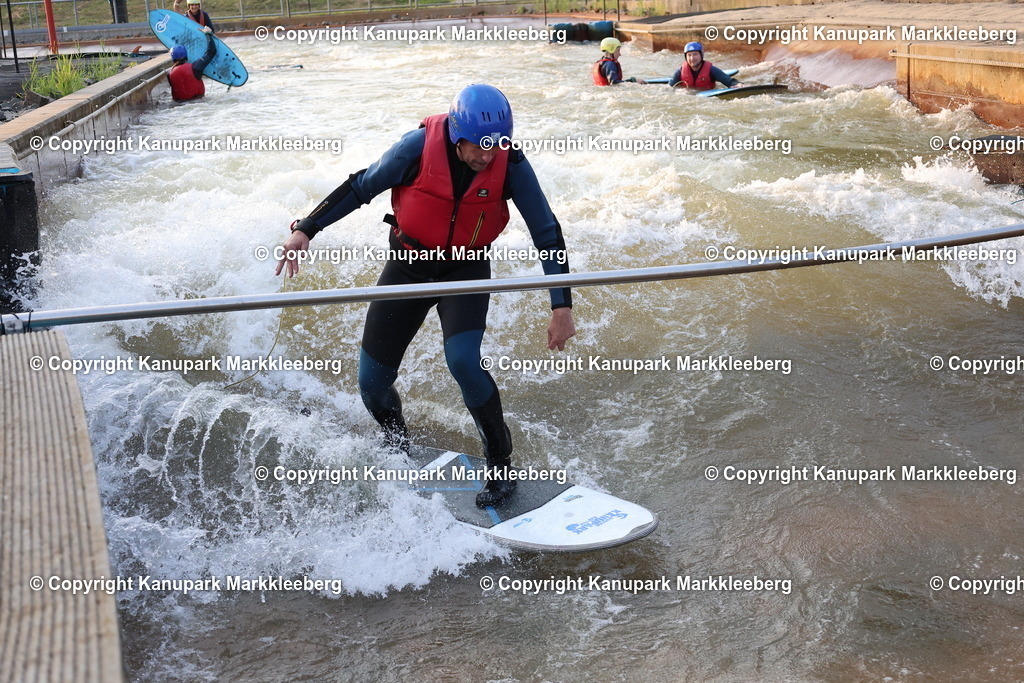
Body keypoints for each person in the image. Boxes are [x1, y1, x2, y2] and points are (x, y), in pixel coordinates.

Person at [275, 84, 576, 508]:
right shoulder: (416, 149)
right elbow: (360, 186)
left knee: (464, 362)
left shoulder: (510, 162)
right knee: (371, 384)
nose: (488, 155)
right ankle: (396, 442)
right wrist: (306, 228)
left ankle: (500, 464)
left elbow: (546, 231)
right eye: (480, 145)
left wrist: (561, 305)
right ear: (456, 135)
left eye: (497, 144)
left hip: (465, 270)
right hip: (408, 267)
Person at [669, 42, 741, 90]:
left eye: (695, 54)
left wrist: (738, 84)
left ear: (701, 54)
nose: (692, 58)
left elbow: (729, 81)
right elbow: (669, 88)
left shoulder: (711, 70)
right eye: (689, 55)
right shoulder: (680, 71)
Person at [167, 31, 216, 102]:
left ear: (173, 58)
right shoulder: (195, 67)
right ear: (186, 55)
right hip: (198, 102)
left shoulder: (170, 73)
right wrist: (208, 34)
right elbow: (211, 52)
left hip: (179, 104)